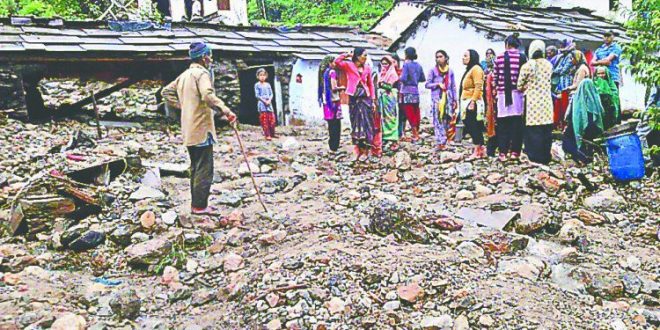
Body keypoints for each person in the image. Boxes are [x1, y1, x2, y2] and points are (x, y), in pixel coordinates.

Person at [162, 42, 237, 215]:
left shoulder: (185, 75)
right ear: (204, 57)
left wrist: (185, 106)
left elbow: (166, 92)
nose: (210, 59)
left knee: (195, 167)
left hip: (189, 129)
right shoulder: (201, 74)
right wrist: (226, 110)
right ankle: (200, 206)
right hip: (202, 129)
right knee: (205, 168)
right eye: (209, 56)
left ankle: (196, 204)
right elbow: (208, 95)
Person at [334, 48, 377, 162]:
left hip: (365, 98)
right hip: (354, 97)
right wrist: (347, 54)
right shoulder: (348, 65)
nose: (365, 57)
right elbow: (337, 61)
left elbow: (370, 84)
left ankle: (366, 151)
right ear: (357, 56)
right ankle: (358, 150)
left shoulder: (367, 68)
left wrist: (372, 100)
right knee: (356, 124)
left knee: (367, 123)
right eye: (364, 55)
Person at [518, 40, 554, 164]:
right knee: (546, 129)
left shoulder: (527, 66)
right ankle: (545, 156)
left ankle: (534, 155)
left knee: (533, 130)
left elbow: (519, 85)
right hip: (546, 101)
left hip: (532, 102)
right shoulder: (549, 65)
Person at [493, 33, 526, 162]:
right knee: (516, 124)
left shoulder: (499, 58)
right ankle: (515, 152)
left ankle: (502, 152)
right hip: (518, 94)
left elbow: (495, 77)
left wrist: (495, 89)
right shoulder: (522, 58)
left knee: (502, 124)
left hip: (502, 95)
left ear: (507, 44)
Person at [562, 78, 604, 164]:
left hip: (577, 128)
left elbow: (568, 115)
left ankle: (578, 156)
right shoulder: (595, 98)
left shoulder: (576, 99)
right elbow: (601, 112)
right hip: (593, 129)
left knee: (568, 138)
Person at [425, 50, 457, 151]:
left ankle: (446, 139)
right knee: (438, 119)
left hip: (448, 98)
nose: (439, 59)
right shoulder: (433, 71)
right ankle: (440, 141)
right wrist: (437, 85)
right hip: (437, 99)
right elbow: (427, 84)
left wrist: (455, 100)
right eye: (437, 57)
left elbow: (453, 86)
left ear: (446, 58)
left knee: (447, 119)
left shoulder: (450, 71)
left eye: (441, 56)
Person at [459, 49, 486, 159]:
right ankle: (480, 149)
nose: (463, 58)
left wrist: (473, 101)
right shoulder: (469, 70)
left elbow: (478, 86)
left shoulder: (476, 69)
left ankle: (477, 150)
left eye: (466, 55)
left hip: (472, 101)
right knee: (471, 124)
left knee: (473, 124)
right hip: (467, 100)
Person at [318, 56, 344, 152]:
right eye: (334, 62)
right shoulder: (332, 72)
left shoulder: (324, 73)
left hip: (327, 102)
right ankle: (335, 146)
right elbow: (334, 87)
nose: (335, 64)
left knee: (330, 125)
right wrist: (341, 87)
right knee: (336, 124)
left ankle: (331, 145)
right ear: (330, 63)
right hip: (334, 101)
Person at [399, 47, 426, 143]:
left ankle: (415, 134)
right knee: (416, 112)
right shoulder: (418, 65)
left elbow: (404, 78)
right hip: (416, 91)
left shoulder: (406, 65)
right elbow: (423, 78)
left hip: (406, 91)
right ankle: (416, 133)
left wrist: (399, 77)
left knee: (409, 113)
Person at [552, 39, 577, 130]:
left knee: (566, 104)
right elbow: (558, 68)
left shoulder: (570, 56)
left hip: (567, 82)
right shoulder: (562, 57)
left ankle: (565, 125)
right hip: (561, 82)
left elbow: (563, 70)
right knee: (560, 104)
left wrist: (555, 71)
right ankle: (560, 124)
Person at [378, 55, 401, 152]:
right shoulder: (382, 74)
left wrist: (381, 85)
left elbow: (389, 86)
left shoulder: (392, 74)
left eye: (386, 64)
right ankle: (386, 137)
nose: (384, 66)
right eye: (382, 64)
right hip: (383, 98)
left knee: (391, 117)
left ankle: (393, 138)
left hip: (390, 97)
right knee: (384, 118)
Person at [593, 66, 621, 130]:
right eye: (599, 73)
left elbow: (615, 95)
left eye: (603, 73)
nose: (601, 75)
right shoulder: (594, 83)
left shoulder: (611, 83)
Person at [255, 68, 276, 140]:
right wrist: (264, 101)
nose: (262, 77)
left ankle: (272, 133)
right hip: (262, 104)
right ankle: (267, 135)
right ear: (257, 76)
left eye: (264, 75)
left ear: (266, 76)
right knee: (264, 120)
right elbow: (257, 95)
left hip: (269, 104)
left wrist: (269, 100)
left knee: (272, 119)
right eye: (260, 75)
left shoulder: (268, 84)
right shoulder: (257, 85)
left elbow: (271, 94)